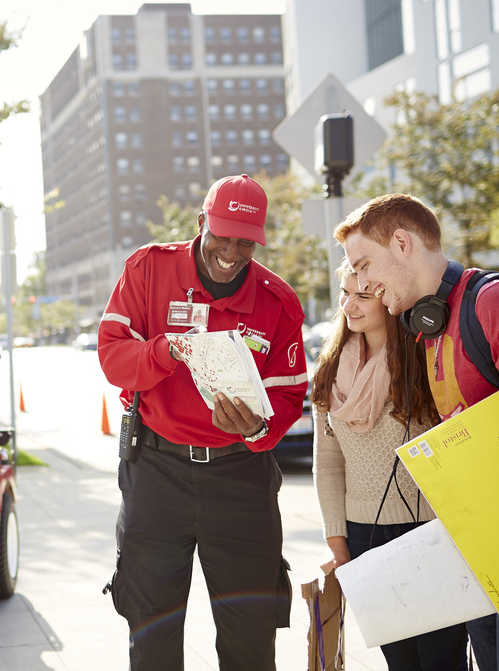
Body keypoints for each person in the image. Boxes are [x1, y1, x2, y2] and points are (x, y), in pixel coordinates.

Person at [334, 193, 499, 671]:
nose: (362, 282)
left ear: (402, 242)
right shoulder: (432, 327)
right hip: (487, 562)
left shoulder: (496, 303)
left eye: (365, 264)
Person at [98, 174, 308, 670]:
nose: (231, 252)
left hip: (240, 481)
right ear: (201, 223)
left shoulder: (277, 302)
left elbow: (289, 395)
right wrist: (166, 350)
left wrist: (256, 429)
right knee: (152, 632)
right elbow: (111, 357)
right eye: (223, 235)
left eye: (245, 241)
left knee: (250, 640)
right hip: (157, 472)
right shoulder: (149, 269)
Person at [312, 260, 468, 670]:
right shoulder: (330, 370)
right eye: (345, 294)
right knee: (399, 661)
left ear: (387, 299)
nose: (349, 305)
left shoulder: (422, 357)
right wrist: (337, 539)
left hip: (432, 530)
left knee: (441, 660)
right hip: (364, 537)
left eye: (363, 295)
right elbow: (327, 463)